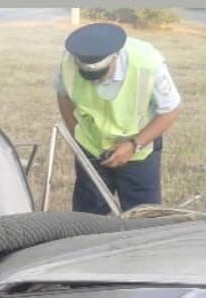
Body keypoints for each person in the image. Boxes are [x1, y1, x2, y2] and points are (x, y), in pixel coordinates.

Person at [55, 23, 182, 214]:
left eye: (100, 75)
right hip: (91, 149)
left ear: (115, 57)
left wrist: (133, 145)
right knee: (88, 217)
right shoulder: (68, 61)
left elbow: (171, 109)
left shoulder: (147, 63)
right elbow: (63, 95)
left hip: (139, 151)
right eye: (89, 76)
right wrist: (78, 137)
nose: (95, 81)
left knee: (143, 217)